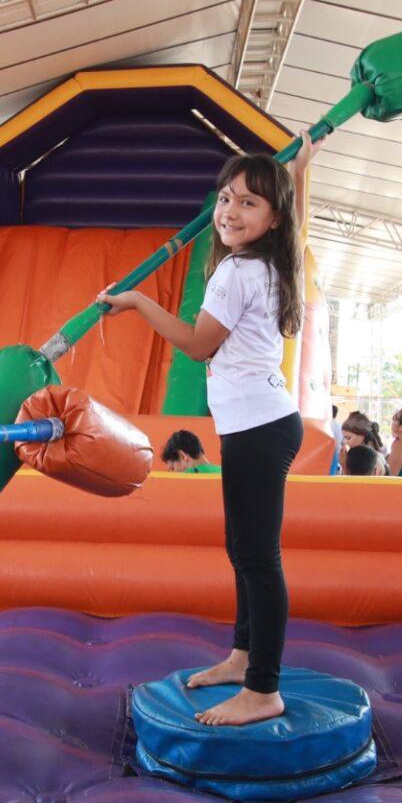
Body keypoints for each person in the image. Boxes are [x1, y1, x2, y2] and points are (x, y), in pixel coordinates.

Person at [97, 138, 318, 727]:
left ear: (271, 218)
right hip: (266, 422)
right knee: (243, 551)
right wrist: (300, 174)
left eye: (249, 204)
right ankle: (243, 657)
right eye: (225, 198)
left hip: (258, 426)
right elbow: (298, 229)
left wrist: (139, 301)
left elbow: (198, 346)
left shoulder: (236, 272)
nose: (229, 213)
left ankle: (263, 688)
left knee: (257, 557)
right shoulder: (276, 263)